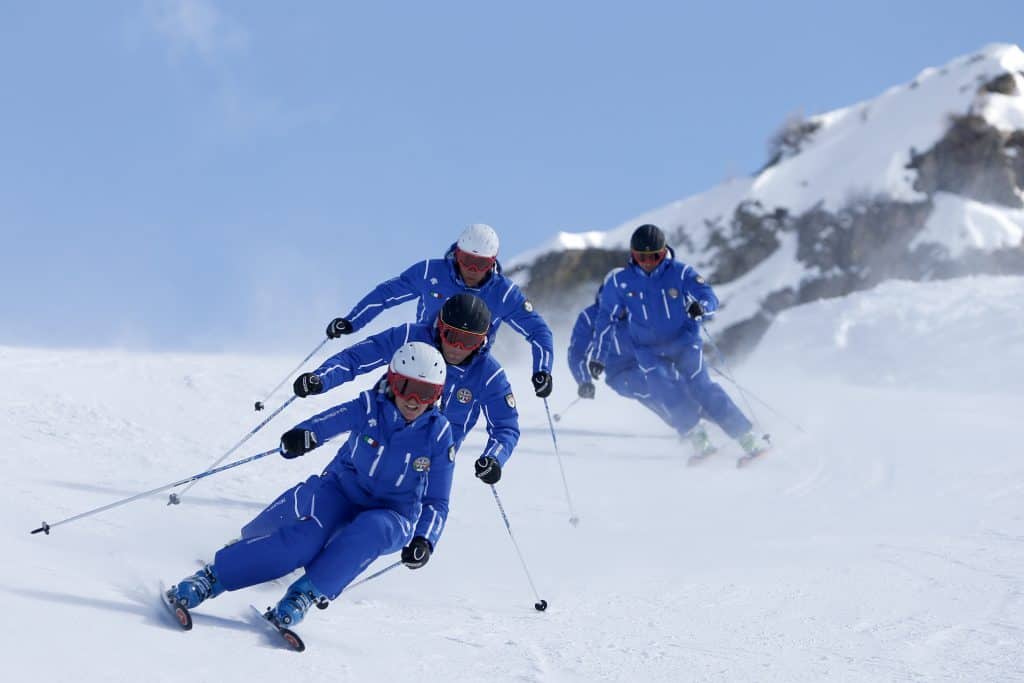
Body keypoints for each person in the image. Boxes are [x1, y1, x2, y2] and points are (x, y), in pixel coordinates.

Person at [165, 342, 454, 629]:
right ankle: (211, 578)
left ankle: (303, 596)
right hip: (342, 490)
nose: (415, 400)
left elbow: (438, 500)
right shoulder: (369, 408)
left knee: (372, 530)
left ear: (438, 394)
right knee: (303, 541)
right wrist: (304, 435)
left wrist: (424, 540)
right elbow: (329, 422)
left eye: (426, 392)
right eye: (406, 387)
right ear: (392, 381)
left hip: (395, 513)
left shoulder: (438, 434)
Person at [294, 293, 519, 484]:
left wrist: (494, 459)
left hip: (422, 467)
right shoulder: (411, 337)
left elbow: (505, 426)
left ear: (481, 342)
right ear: (440, 328)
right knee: (322, 504)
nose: (457, 348)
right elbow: (356, 357)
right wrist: (320, 379)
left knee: (380, 530)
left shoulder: (488, 374)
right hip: (367, 445)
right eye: (452, 336)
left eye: (468, 341)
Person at [590, 224, 768, 460]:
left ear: (664, 253)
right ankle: (700, 442)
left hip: (684, 342)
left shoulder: (680, 273)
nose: (647, 262)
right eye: (640, 257)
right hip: (648, 350)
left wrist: (701, 307)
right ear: (632, 255)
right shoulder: (620, 283)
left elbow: (709, 296)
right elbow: (606, 321)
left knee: (702, 388)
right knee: (665, 391)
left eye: (654, 256)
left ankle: (749, 440)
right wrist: (599, 357)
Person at [322, 223, 555, 399]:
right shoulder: (430, 272)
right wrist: (352, 321)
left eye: (481, 264)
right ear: (457, 253)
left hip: (465, 372)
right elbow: (387, 294)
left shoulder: (503, 293)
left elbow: (539, 331)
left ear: (492, 262)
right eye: (467, 260)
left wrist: (542, 371)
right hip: (419, 358)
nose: (472, 270)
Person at [567, 288, 718, 460]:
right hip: (621, 372)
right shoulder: (590, 318)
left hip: (651, 361)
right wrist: (584, 380)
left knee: (680, 385)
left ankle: (723, 422)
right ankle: (695, 433)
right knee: (656, 388)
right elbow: (576, 353)